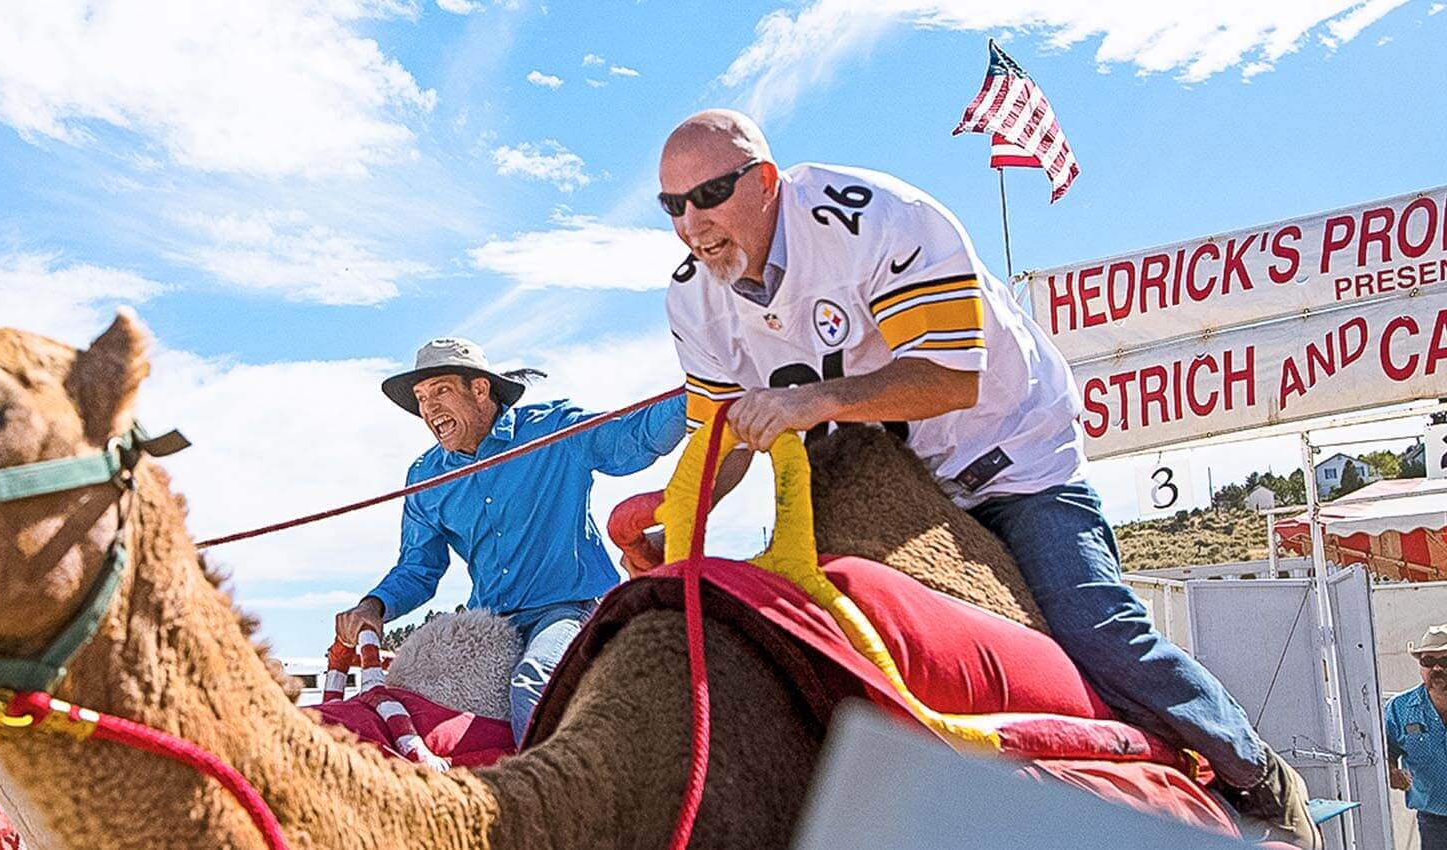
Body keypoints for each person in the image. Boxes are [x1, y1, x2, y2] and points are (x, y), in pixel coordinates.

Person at [652, 108, 1316, 847]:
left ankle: (1253, 772)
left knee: (1094, 628)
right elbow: (722, 437)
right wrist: (668, 517)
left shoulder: (881, 220)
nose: (692, 223)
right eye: (672, 206)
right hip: (897, 489)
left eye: (708, 195)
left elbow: (947, 377)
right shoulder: (691, 296)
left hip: (1013, 461)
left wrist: (817, 401)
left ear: (766, 181)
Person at [334, 337, 685, 742]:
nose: (428, 408)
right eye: (421, 397)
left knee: (532, 686)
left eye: (441, 390)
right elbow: (419, 568)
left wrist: (704, 391)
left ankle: (556, 801)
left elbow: (634, 439)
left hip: (570, 610)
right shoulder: (425, 477)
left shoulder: (552, 430)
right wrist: (373, 606)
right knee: (421, 705)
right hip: (492, 627)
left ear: (480, 389)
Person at [1388, 623, 1447, 849]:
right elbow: (1385, 749)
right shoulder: (1399, 709)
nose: (1437, 669)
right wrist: (1392, 770)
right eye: (1429, 662)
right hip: (1433, 821)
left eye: (1445, 661)